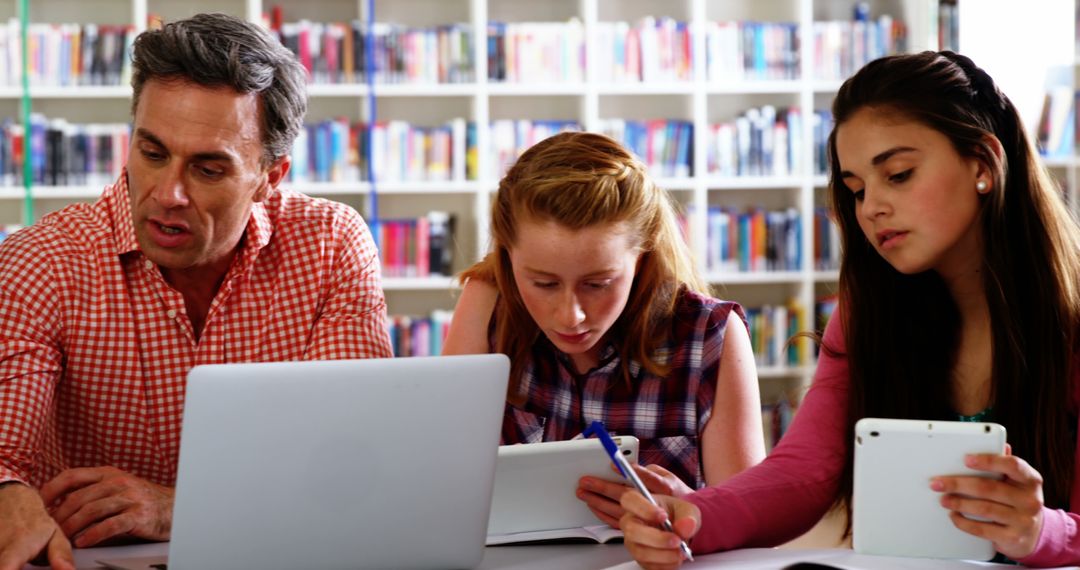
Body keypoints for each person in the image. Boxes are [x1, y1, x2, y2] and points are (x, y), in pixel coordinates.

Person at [618, 50, 1080, 569]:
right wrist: (691, 516)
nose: (870, 207)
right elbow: (805, 472)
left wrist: (1042, 530)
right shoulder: (870, 311)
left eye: (899, 174)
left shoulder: (1070, 317)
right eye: (855, 189)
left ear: (982, 163)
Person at [0, 13, 393, 570]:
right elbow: (3, 451)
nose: (168, 193)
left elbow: (353, 460)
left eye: (208, 169)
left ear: (269, 176)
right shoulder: (42, 262)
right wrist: (8, 496)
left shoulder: (330, 243)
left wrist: (182, 508)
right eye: (152, 153)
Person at [442, 131, 765, 528]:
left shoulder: (710, 336)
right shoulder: (489, 305)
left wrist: (698, 514)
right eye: (543, 284)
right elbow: (447, 487)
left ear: (642, 260)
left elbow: (750, 531)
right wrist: (480, 296)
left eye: (598, 284)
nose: (570, 315)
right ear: (507, 259)